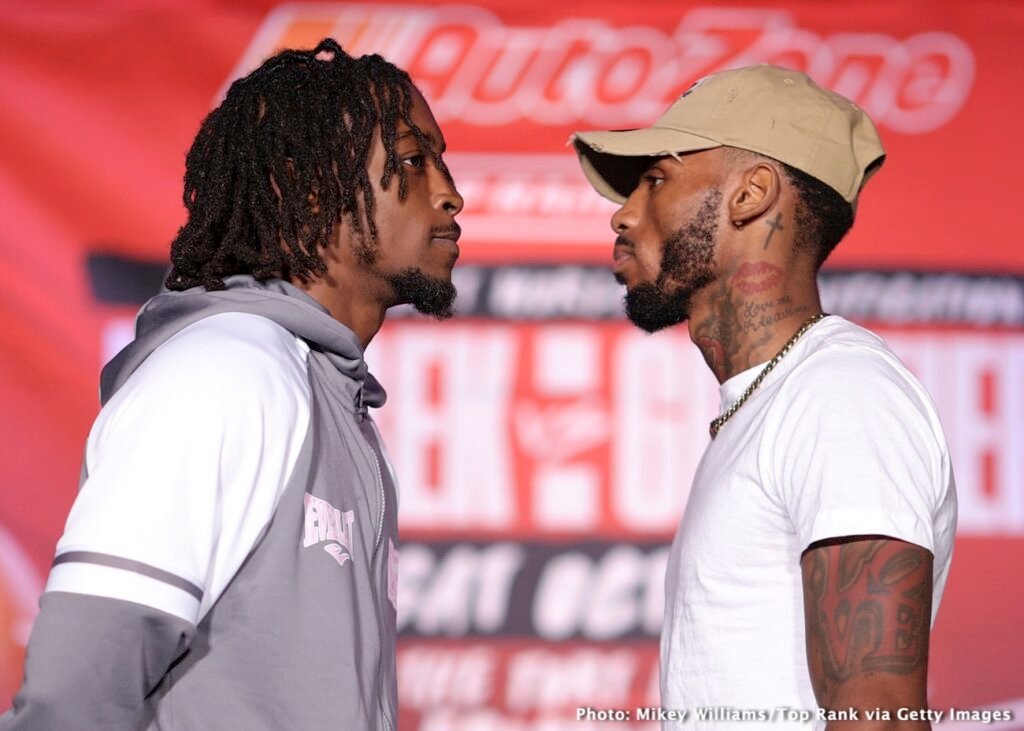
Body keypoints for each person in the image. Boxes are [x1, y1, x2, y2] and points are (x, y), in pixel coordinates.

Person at [2, 37, 462, 730]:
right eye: (411, 161)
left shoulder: (334, 400)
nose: (451, 193)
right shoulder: (223, 374)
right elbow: (74, 697)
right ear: (311, 188)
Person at [572, 65, 956, 727]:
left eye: (655, 179)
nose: (623, 212)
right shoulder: (770, 401)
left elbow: (881, 715)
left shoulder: (840, 393)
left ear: (750, 194)